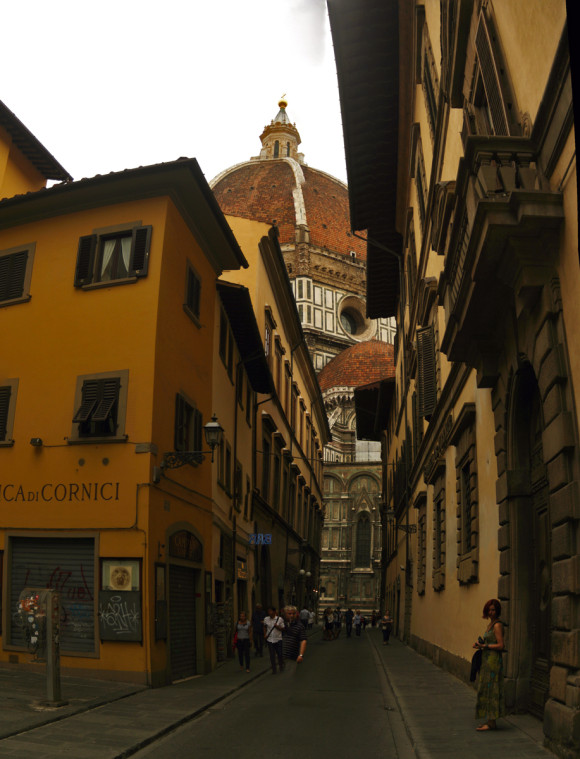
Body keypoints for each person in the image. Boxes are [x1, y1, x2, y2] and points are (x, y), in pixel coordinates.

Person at [473, 598, 505, 731]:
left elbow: (501, 645)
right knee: (486, 688)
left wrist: (485, 645)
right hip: (487, 661)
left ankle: (492, 722)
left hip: (493, 662)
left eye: (493, 610)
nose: (491, 612)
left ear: (497, 611)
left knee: (492, 690)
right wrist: (480, 646)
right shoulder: (490, 625)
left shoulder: (497, 625)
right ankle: (490, 721)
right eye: (489, 609)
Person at [282, 605, 307, 675]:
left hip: (292, 656)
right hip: (280, 656)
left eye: (293, 613)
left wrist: (301, 655)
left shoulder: (299, 626)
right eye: (289, 614)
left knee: (288, 676)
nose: (292, 615)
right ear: (285, 614)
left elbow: (303, 640)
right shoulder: (281, 624)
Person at [263, 606, 285, 674]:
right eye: (268, 611)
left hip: (278, 639)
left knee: (279, 654)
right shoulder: (266, 619)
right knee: (272, 655)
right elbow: (264, 627)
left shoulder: (280, 619)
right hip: (270, 639)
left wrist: (277, 626)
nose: (269, 613)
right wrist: (265, 634)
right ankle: (274, 669)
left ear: (274, 612)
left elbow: (283, 629)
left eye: (271, 611)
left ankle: (281, 665)